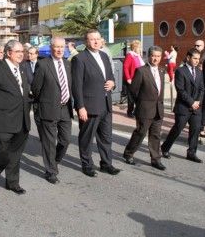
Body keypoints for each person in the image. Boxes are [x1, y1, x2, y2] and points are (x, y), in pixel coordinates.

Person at [0, 40, 31, 194]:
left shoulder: (22, 69)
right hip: (3, 120)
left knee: (15, 155)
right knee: (1, 155)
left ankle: (12, 182)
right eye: (18, 51)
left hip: (22, 120)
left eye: (22, 51)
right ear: (9, 53)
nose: (21, 54)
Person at [71, 29, 120, 177]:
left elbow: (110, 77)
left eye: (98, 39)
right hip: (89, 106)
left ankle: (106, 164)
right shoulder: (80, 59)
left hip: (106, 104)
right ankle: (87, 165)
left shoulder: (104, 56)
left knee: (106, 138)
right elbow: (76, 85)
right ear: (86, 41)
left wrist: (113, 83)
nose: (96, 41)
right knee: (86, 138)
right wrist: (80, 107)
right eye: (92, 39)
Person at [31, 37, 73, 184]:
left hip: (65, 108)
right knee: (49, 142)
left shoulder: (68, 65)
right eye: (57, 47)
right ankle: (51, 171)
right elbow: (36, 88)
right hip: (48, 108)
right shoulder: (42, 65)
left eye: (62, 47)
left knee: (66, 140)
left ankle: (53, 161)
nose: (60, 49)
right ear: (51, 48)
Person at [123, 46, 167, 171]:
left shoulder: (162, 71)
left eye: (158, 56)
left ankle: (156, 159)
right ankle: (129, 153)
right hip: (145, 109)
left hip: (158, 109)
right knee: (140, 133)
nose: (156, 59)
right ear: (149, 56)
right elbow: (133, 90)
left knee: (156, 135)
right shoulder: (141, 71)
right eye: (153, 56)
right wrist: (140, 103)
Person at [161, 48, 205, 163]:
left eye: (198, 59)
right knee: (178, 128)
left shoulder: (199, 72)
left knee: (195, 130)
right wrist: (191, 102)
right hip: (183, 107)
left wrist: (198, 102)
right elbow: (180, 90)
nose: (197, 61)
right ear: (188, 57)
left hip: (196, 107)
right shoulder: (181, 71)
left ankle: (191, 153)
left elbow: (202, 89)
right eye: (195, 58)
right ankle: (165, 148)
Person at [123, 40, 144, 117]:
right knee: (131, 98)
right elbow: (125, 67)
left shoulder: (138, 56)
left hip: (139, 80)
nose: (140, 49)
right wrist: (128, 78)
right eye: (139, 47)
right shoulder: (130, 55)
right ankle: (130, 112)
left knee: (140, 97)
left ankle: (136, 111)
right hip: (132, 80)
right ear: (135, 47)